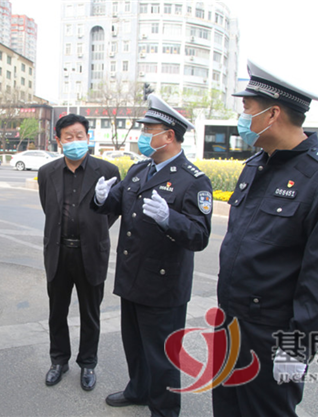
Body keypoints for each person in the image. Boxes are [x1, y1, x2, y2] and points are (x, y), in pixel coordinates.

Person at [212, 60, 318, 417]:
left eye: (247, 108)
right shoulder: (255, 165)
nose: (242, 117)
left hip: (272, 334)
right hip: (230, 324)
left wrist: (299, 345)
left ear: (273, 114)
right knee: (227, 410)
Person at [93, 94, 212, 417]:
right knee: (134, 344)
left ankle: (164, 410)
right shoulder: (139, 170)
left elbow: (199, 236)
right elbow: (115, 203)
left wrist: (170, 219)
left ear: (169, 136)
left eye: (149, 130)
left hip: (163, 284)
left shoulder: (192, 180)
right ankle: (139, 390)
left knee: (162, 354)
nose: (143, 136)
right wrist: (101, 198)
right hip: (132, 276)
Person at [38, 114, 120, 391]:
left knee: (90, 312)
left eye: (79, 136)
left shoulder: (107, 170)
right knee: (56, 311)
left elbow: (112, 211)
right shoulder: (47, 172)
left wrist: (93, 230)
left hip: (91, 253)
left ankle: (88, 363)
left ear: (88, 137)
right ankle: (59, 361)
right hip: (59, 252)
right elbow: (48, 207)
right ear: (59, 140)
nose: (75, 141)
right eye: (68, 137)